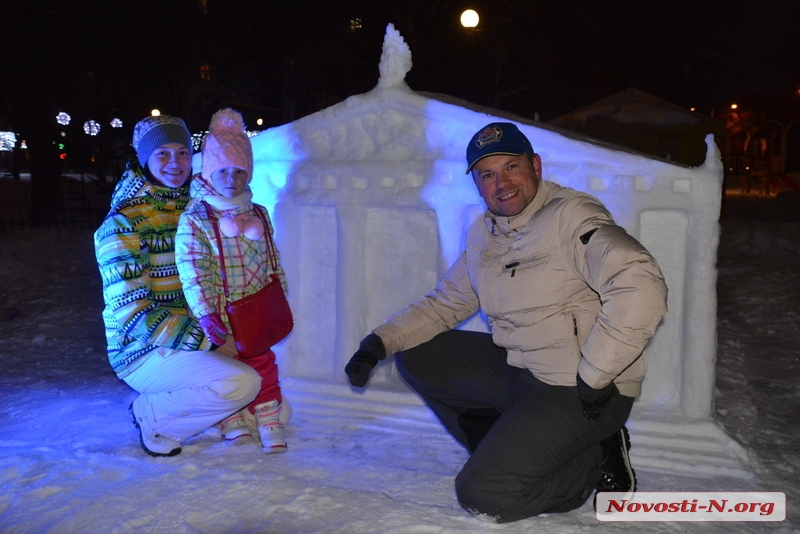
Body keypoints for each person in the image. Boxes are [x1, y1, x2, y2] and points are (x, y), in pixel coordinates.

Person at [345, 122, 668, 522]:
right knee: (417, 353)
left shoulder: (573, 218)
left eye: (512, 166)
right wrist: (379, 342)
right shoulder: (486, 232)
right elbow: (447, 302)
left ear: (535, 165)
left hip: (581, 391)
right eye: (487, 174)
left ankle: (589, 463)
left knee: (483, 494)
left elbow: (639, 282)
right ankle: (502, 446)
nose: (502, 183)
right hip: (525, 373)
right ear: (477, 184)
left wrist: (597, 372)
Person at [94, 115, 263, 458]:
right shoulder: (123, 222)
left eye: (183, 152)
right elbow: (133, 315)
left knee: (274, 407)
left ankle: (201, 407)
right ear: (145, 159)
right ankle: (153, 415)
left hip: (191, 337)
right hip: (141, 349)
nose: (176, 164)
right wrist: (210, 342)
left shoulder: (195, 209)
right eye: (163, 154)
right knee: (243, 384)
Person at [175, 108, 289, 453]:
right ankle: (232, 417)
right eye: (222, 170)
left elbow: (272, 258)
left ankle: (269, 417)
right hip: (222, 312)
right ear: (209, 173)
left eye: (239, 171)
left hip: (256, 308)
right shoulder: (196, 218)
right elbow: (193, 270)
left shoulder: (258, 213)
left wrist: (278, 293)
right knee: (229, 366)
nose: (231, 179)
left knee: (263, 361)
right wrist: (208, 313)